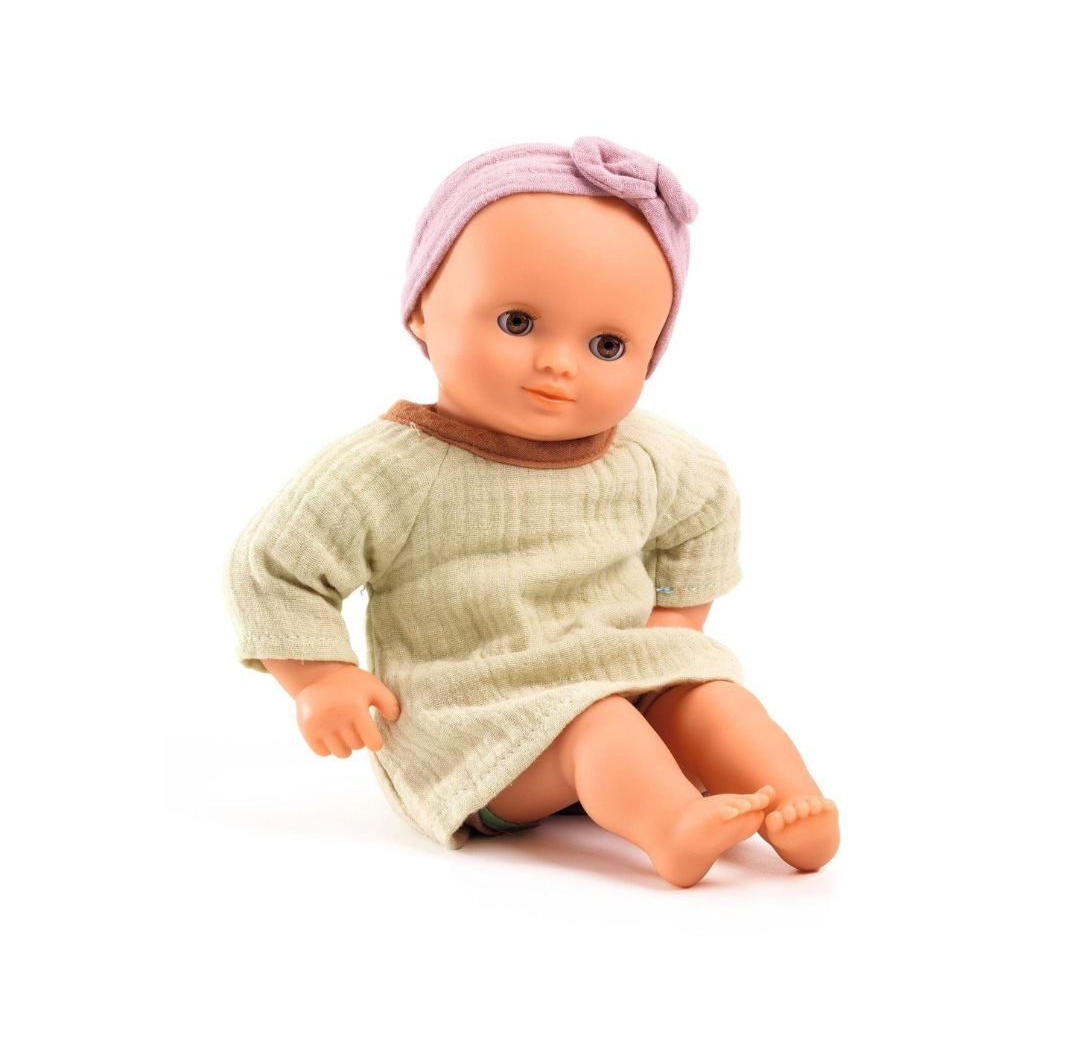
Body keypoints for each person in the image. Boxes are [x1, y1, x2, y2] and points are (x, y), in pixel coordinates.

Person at [223, 138, 839, 887]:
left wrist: (674, 622)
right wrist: (320, 677)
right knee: (597, 724)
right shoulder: (387, 472)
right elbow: (275, 567)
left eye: (607, 344)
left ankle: (793, 805)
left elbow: (705, 508)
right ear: (421, 309)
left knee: (712, 699)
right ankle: (671, 826)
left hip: (618, 670)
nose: (559, 363)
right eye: (518, 323)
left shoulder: (648, 453)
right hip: (476, 719)